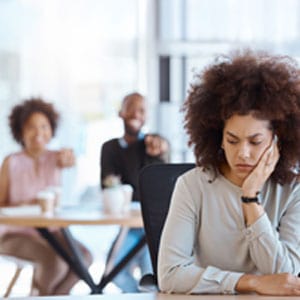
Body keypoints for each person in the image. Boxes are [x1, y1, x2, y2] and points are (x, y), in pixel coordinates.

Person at [157, 50, 300, 296]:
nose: (243, 153)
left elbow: (285, 274)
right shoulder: (192, 186)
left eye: (255, 142)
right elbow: (170, 275)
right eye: (232, 140)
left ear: (278, 141)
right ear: (218, 138)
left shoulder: (293, 191)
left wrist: (250, 198)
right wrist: (251, 282)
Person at [0, 98, 92, 296]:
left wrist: (70, 157)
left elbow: (69, 160)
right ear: (20, 131)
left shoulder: (56, 158)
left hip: (52, 232)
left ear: (52, 130)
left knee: (84, 258)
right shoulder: (11, 162)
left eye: (44, 126)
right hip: (14, 234)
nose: (38, 133)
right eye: (31, 127)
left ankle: (48, 297)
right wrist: (22, 205)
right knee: (54, 261)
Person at [100, 92, 169, 292]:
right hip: (127, 226)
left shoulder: (155, 145)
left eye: (142, 110)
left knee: (154, 277)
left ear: (147, 116)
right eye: (130, 107)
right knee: (114, 271)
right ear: (120, 112)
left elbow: (157, 186)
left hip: (153, 227)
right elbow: (108, 187)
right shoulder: (110, 148)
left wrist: (158, 149)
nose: (136, 114)